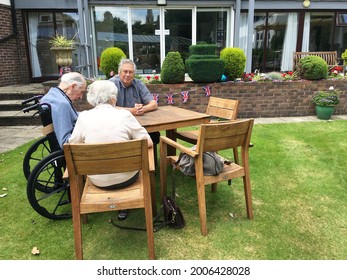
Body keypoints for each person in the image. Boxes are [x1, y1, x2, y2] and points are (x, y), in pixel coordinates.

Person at [69, 80, 153, 220]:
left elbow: (72, 147)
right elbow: (148, 142)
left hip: (98, 180)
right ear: (113, 98)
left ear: (91, 99)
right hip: (127, 178)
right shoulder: (125, 116)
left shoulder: (83, 118)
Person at [110, 58, 160, 144]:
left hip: (138, 123)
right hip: (118, 124)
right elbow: (108, 107)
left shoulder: (139, 84)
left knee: (154, 135)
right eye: (125, 71)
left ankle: (150, 157)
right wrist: (131, 111)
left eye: (131, 72)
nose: (128, 74)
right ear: (119, 72)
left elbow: (154, 104)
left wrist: (143, 109)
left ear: (134, 74)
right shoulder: (111, 84)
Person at [40, 72, 87, 149]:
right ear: (73, 86)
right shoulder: (62, 104)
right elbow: (65, 141)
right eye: (81, 92)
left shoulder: (54, 94)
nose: (81, 97)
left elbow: (71, 115)